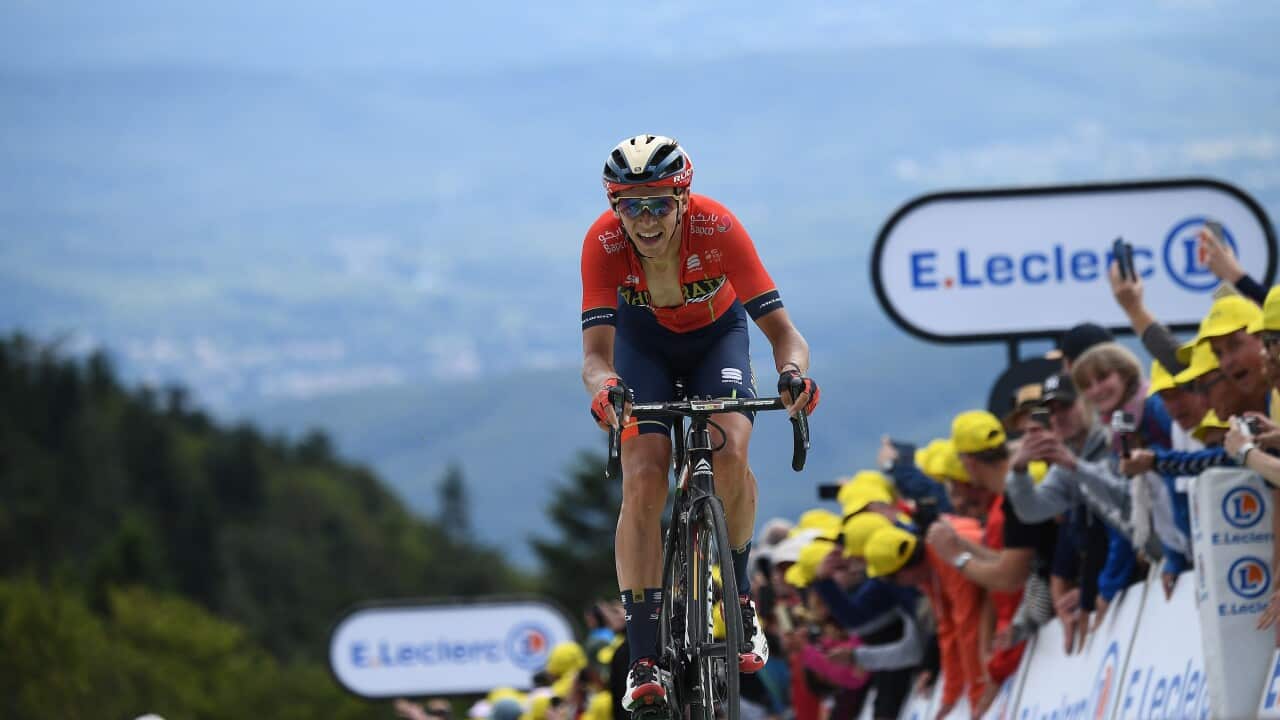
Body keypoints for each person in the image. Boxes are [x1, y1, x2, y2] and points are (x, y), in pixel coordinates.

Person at [579, 134, 820, 707]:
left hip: (718, 341)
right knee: (643, 476)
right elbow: (595, 357)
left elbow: (786, 336)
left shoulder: (718, 227)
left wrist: (792, 375)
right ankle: (643, 658)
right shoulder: (603, 242)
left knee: (730, 450)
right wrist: (605, 389)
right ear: (615, 207)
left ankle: (738, 600)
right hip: (644, 352)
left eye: (659, 203)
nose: (645, 219)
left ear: (683, 199)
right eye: (630, 205)